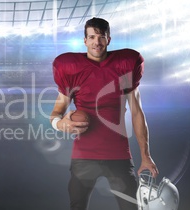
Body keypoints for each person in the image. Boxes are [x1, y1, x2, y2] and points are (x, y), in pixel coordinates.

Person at [50, 17, 159, 210]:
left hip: (118, 154)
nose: (96, 42)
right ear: (84, 41)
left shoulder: (126, 63)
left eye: (101, 37)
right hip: (84, 155)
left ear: (109, 39)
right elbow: (56, 113)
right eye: (91, 37)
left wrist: (145, 155)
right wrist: (60, 124)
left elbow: (136, 112)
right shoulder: (70, 68)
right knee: (77, 206)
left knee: (131, 207)